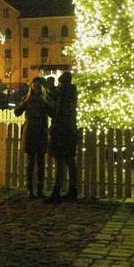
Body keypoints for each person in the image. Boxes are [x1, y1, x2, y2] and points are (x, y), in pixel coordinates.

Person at [14, 76, 51, 198]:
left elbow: (52, 112)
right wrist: (25, 102)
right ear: (32, 87)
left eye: (38, 86)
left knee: (41, 162)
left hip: (41, 132)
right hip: (30, 132)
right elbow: (17, 112)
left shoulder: (45, 99)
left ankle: (40, 189)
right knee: (30, 162)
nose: (36, 88)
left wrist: (46, 103)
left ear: (42, 88)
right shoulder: (27, 99)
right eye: (34, 86)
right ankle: (30, 189)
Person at [45, 72, 79, 204]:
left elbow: (56, 113)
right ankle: (72, 189)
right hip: (69, 130)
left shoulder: (63, 94)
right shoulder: (70, 93)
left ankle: (56, 191)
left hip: (61, 130)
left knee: (59, 161)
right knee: (70, 160)